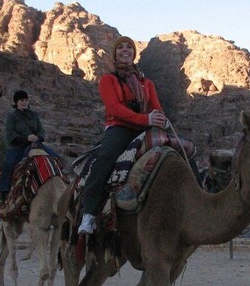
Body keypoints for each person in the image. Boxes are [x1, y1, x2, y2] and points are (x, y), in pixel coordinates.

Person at [78, 36, 196, 235]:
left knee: (183, 149)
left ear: (134, 54)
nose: (125, 50)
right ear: (115, 53)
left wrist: (160, 118)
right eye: (121, 48)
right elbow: (115, 108)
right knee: (105, 158)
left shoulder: (146, 83)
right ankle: (88, 214)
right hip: (119, 127)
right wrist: (146, 120)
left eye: (129, 48)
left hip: (145, 127)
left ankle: (194, 202)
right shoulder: (108, 80)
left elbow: (156, 107)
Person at [0, 90, 49, 202]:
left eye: (26, 100)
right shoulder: (12, 116)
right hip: (17, 147)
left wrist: (38, 137)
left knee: (53, 157)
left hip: (34, 145)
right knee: (9, 163)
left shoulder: (34, 115)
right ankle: (3, 190)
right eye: (22, 100)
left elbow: (41, 130)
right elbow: (10, 134)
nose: (24, 102)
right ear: (16, 102)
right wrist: (26, 138)